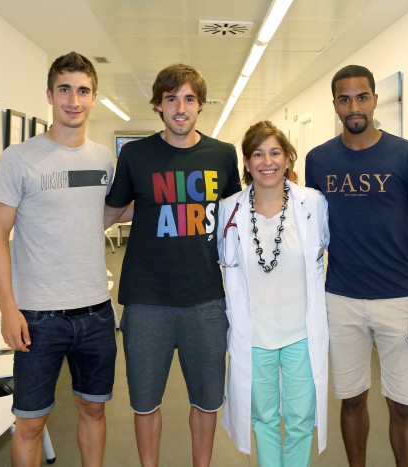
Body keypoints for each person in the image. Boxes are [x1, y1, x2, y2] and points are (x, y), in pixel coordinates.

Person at [104, 63, 241, 467]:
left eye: (188, 99)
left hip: (206, 300)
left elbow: (236, 216)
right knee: (145, 403)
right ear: (158, 106)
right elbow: (110, 214)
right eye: (171, 99)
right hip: (147, 301)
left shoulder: (222, 154)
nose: (180, 107)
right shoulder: (136, 155)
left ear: (200, 105)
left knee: (207, 399)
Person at [305, 64, 408, 467]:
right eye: (344, 99)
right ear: (335, 105)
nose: (354, 107)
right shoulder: (319, 160)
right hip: (341, 298)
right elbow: (309, 227)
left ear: (375, 99)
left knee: (404, 406)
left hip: (397, 298)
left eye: (362, 97)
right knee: (351, 400)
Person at [0, 52, 116, 467]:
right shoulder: (19, 158)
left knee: (93, 409)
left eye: (82, 90)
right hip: (37, 317)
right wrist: (8, 308)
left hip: (96, 312)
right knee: (30, 423)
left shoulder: (103, 160)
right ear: (49, 94)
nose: (73, 100)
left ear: (94, 97)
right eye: (65, 89)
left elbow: (112, 211)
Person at [218, 121, 329, 466]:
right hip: (253, 336)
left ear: (288, 159)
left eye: (275, 152)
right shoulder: (229, 209)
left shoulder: (312, 203)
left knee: (299, 421)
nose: (267, 161)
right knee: (263, 419)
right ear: (247, 163)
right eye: (258, 153)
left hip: (300, 334)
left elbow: (332, 246)